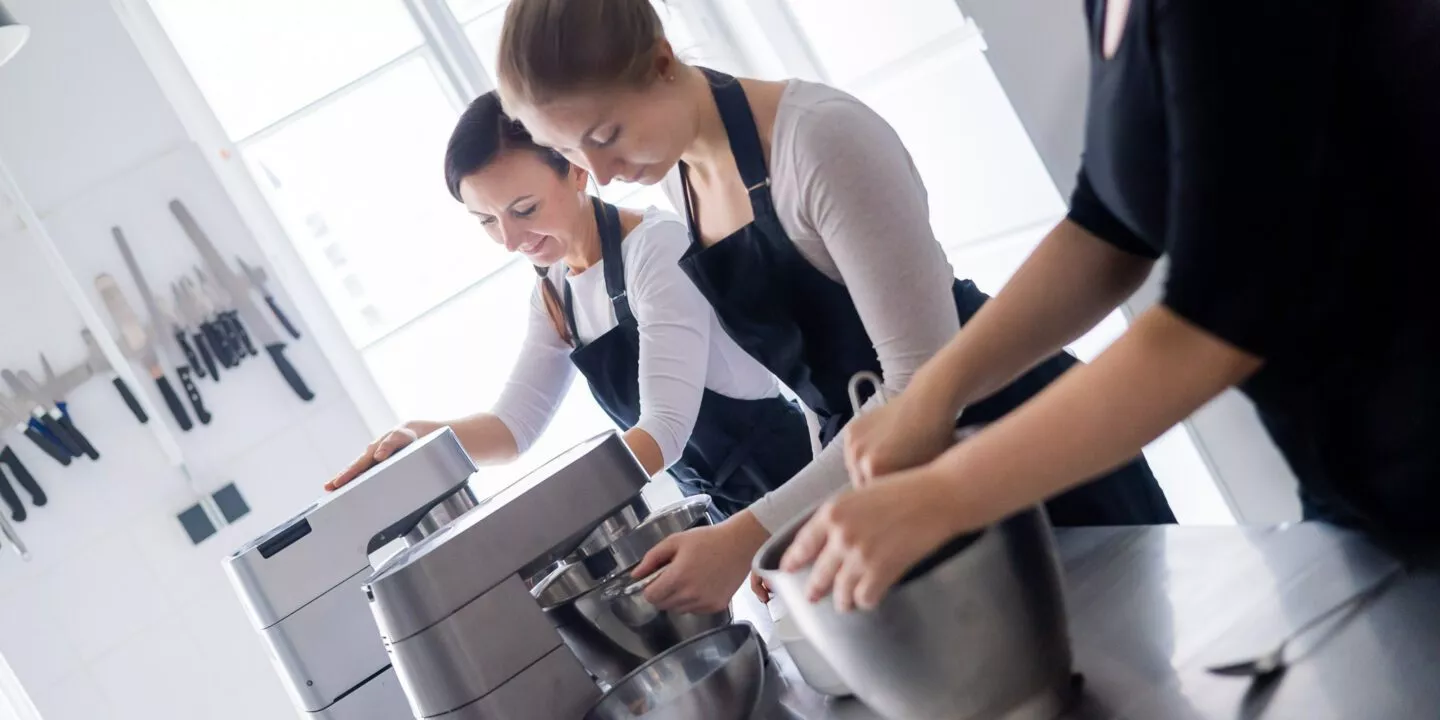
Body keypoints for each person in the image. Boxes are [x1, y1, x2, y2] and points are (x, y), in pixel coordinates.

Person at [493, 0, 1176, 614]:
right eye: (566, 152)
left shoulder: (819, 142)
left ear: (664, 64)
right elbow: (821, 388)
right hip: (898, 481)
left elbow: (920, 385)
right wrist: (796, 520)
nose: (602, 174)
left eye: (607, 134)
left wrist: (751, 532)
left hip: (1015, 446)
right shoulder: (681, 176)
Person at [784, 0, 1440, 609]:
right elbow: (1107, 225)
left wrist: (946, 494)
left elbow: (1220, 318)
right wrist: (932, 395)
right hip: (1357, 472)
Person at [326, 92, 814, 521]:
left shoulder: (655, 250)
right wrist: (417, 436)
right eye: (486, 221)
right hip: (729, 516)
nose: (510, 241)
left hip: (801, 487)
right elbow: (511, 429)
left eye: (524, 210)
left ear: (577, 168)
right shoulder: (555, 292)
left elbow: (664, 429)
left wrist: (546, 523)